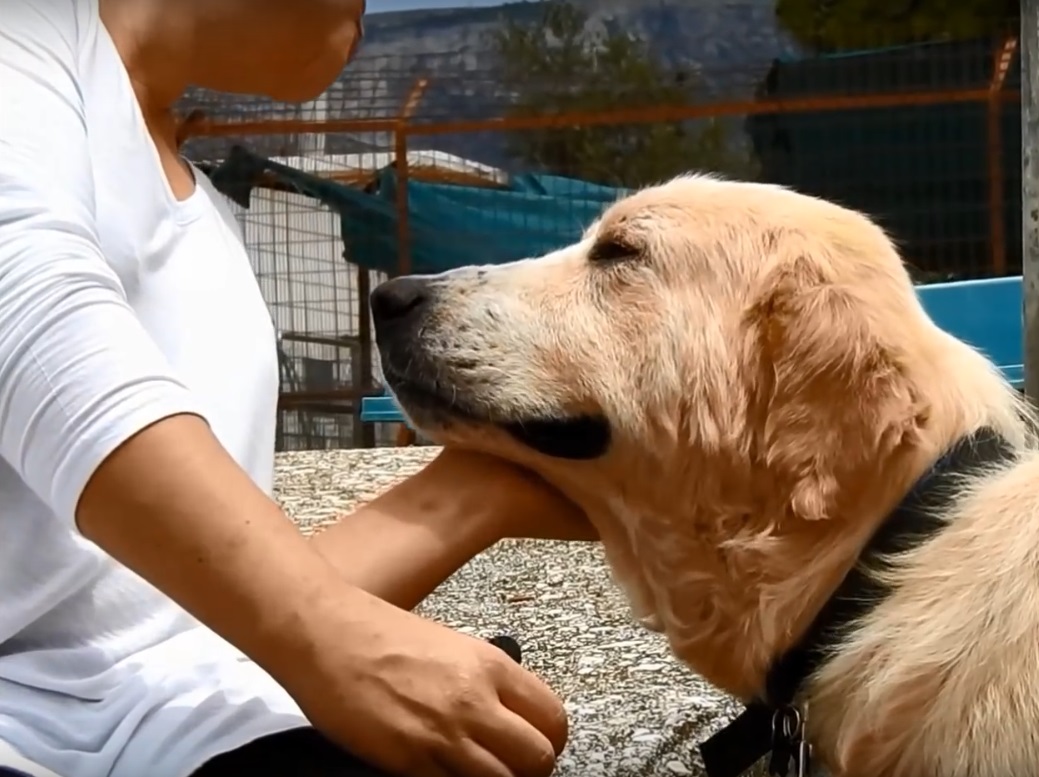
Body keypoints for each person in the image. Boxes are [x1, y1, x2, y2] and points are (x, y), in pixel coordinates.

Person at [0, 0, 599, 775]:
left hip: (188, 726)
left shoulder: (203, 210)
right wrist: (324, 626)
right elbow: (29, 314)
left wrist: (472, 494)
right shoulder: (28, 38)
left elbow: (187, 619)